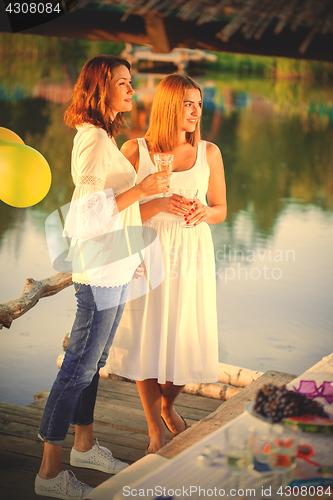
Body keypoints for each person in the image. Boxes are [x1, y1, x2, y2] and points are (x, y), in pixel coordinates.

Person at [35, 55, 169, 498]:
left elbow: (115, 212)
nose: (132, 90)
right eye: (123, 83)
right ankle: (49, 473)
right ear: (100, 88)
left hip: (113, 264)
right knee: (76, 367)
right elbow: (86, 217)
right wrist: (142, 190)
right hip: (97, 269)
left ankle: (85, 446)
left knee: (91, 364)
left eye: (132, 83)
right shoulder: (92, 139)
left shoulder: (105, 136)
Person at [105, 74, 227, 453]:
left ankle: (169, 405)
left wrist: (206, 212)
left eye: (199, 104)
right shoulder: (134, 151)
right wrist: (155, 205)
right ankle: (154, 427)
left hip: (191, 254)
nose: (195, 111)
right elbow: (111, 212)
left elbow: (222, 209)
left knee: (184, 337)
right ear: (169, 105)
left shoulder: (210, 152)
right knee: (148, 337)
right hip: (148, 250)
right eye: (188, 103)